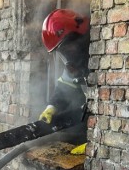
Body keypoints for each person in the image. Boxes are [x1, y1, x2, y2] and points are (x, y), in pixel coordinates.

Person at [38, 9, 90, 154]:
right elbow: (65, 85)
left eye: (66, 48)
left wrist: (97, 142)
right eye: (61, 51)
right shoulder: (77, 61)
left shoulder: (106, 57)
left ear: (78, 37)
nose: (66, 55)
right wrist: (52, 106)